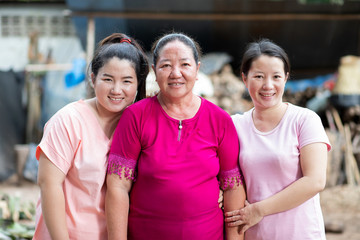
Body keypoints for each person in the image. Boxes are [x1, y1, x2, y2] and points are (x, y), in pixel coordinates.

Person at [106, 32, 246, 240]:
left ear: (197, 69)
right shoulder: (136, 117)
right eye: (166, 66)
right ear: (154, 70)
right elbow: (117, 186)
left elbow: (232, 188)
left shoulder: (220, 120)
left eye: (185, 65)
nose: (175, 73)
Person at [33, 33, 149, 240]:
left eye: (126, 81)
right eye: (108, 79)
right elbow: (49, 184)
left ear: (138, 84)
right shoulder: (68, 121)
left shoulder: (139, 125)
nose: (116, 90)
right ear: (93, 78)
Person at [225, 39, 331, 239]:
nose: (268, 85)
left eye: (276, 76)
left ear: (286, 78)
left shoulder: (304, 120)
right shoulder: (235, 125)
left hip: (301, 233)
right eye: (258, 76)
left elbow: (315, 181)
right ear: (244, 78)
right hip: (256, 234)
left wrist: (259, 210)